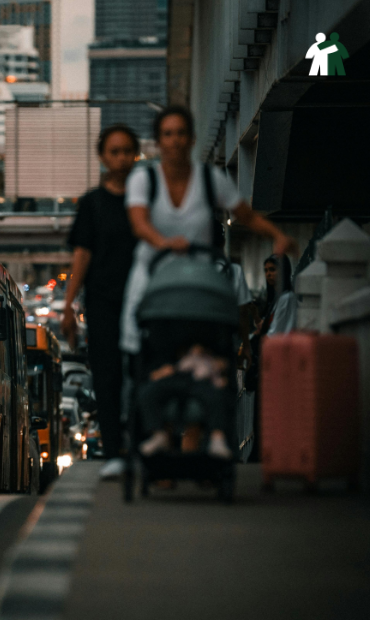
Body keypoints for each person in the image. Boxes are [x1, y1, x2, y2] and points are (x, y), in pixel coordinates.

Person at [121, 105, 298, 459]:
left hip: (198, 283)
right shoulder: (144, 180)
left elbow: (244, 214)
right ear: (159, 141)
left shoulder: (208, 179)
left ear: (190, 139)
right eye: (167, 134)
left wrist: (276, 234)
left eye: (180, 133)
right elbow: (139, 223)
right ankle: (160, 437)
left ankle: (199, 441)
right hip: (154, 280)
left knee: (206, 361)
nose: (174, 141)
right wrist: (163, 243)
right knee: (150, 357)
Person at [62, 123, 140, 480]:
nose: (121, 158)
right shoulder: (92, 203)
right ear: (103, 157)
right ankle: (113, 452)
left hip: (142, 301)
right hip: (102, 303)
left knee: (141, 373)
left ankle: (142, 445)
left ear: (136, 155)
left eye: (127, 151)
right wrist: (68, 306)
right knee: (106, 378)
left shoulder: (146, 199)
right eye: (114, 151)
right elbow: (82, 255)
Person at [261, 254, 298, 336]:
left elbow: (274, 332)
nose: (268, 274)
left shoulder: (287, 297)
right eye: (266, 270)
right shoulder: (276, 297)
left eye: (272, 269)